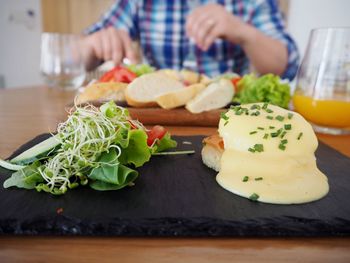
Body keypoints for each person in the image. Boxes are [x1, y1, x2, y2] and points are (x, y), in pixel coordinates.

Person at [82, 0, 299, 80]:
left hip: (226, 117)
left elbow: (287, 65)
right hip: (155, 117)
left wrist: (243, 32)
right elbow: (75, 56)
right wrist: (92, 44)